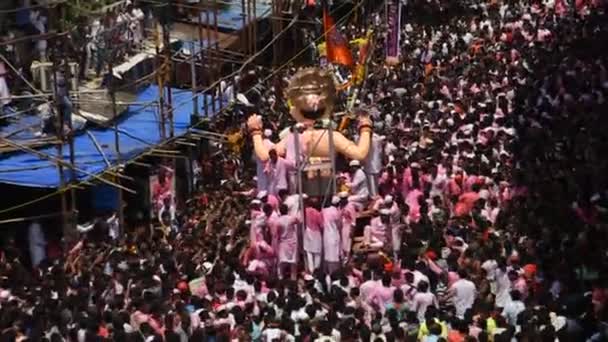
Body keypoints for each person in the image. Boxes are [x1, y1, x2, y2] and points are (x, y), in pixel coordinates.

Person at [273, 204, 300, 280]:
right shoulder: (292, 218)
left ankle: (280, 277)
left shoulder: (278, 221)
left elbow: (276, 235)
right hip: (292, 242)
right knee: (293, 262)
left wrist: (275, 246)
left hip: (283, 243)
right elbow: (299, 221)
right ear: (287, 210)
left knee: (281, 262)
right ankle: (293, 278)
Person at [321, 196, 342, 274]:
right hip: (334, 234)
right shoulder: (336, 212)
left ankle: (328, 272)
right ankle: (334, 273)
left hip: (326, 235)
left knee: (327, 255)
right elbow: (339, 225)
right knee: (334, 256)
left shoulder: (325, 210)